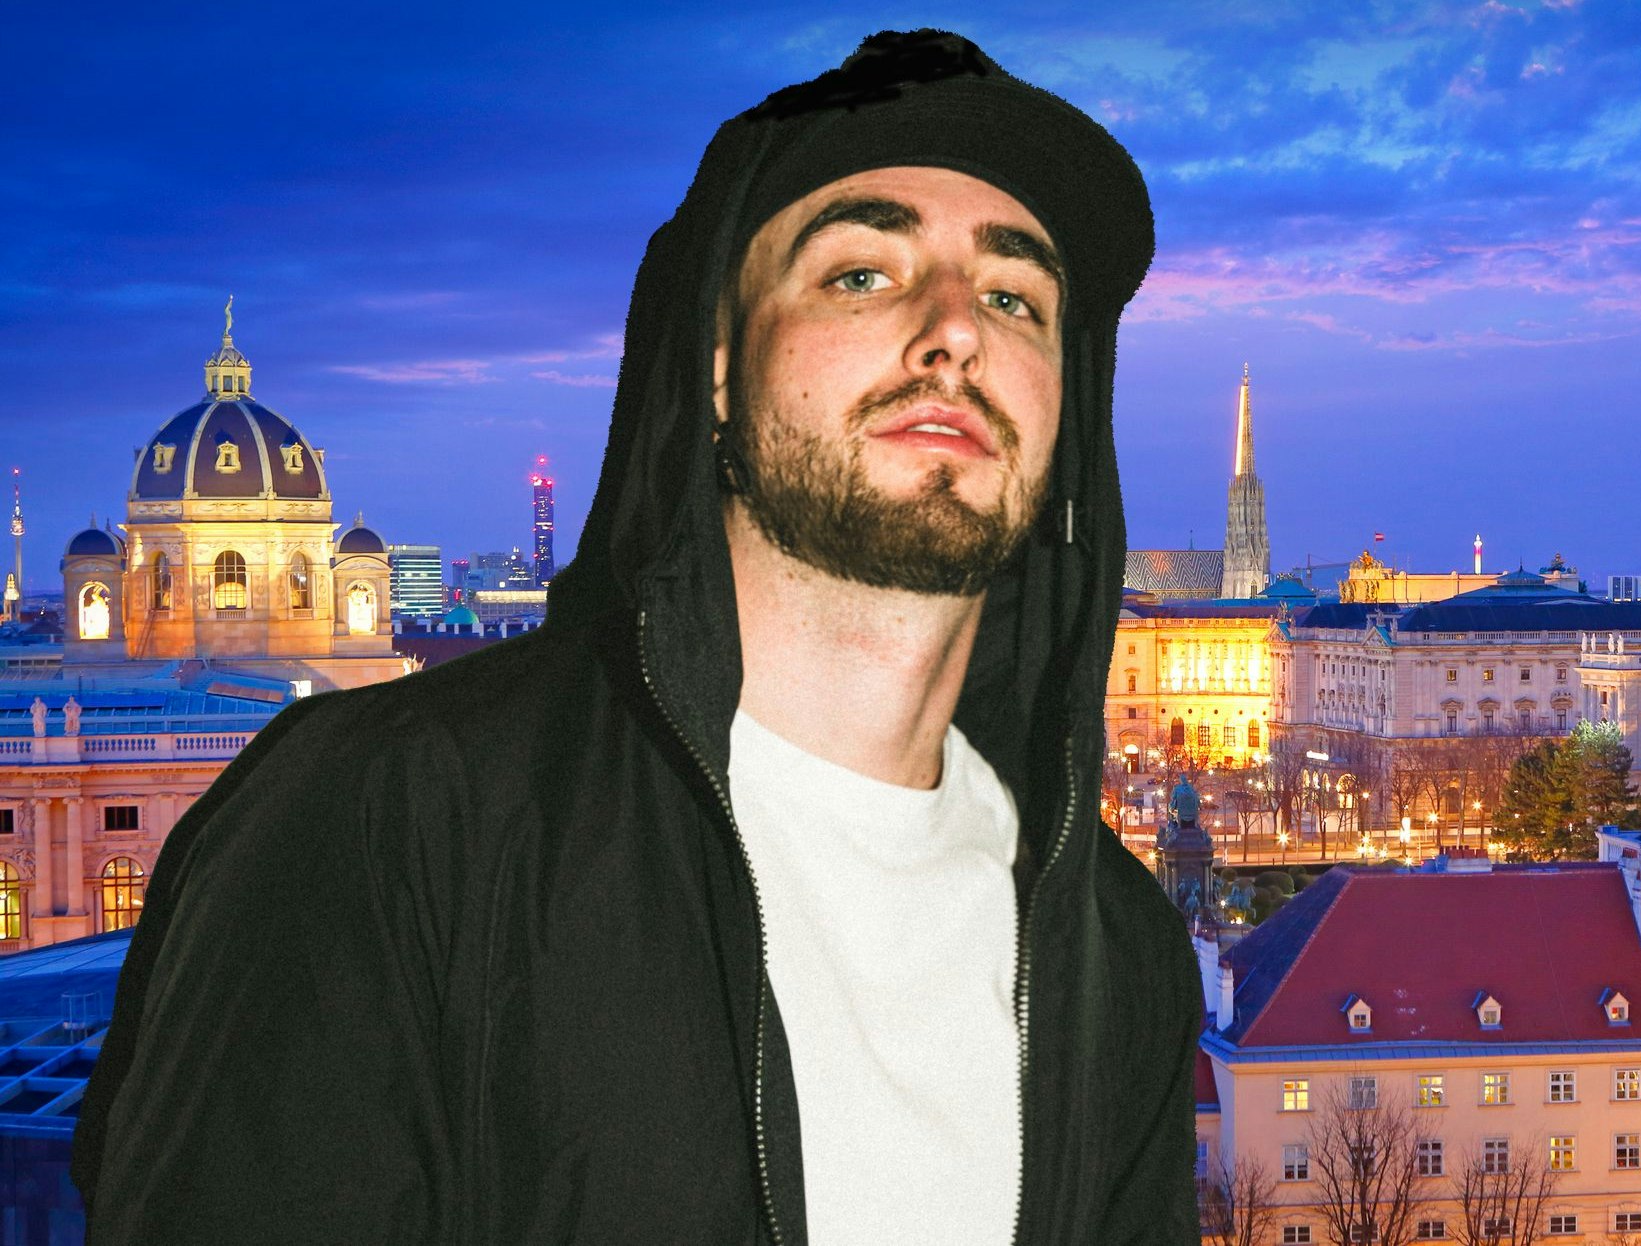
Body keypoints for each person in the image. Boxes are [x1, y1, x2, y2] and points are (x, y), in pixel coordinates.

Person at [75, 30, 1202, 1243]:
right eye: (861, 275)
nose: (954, 330)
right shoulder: (383, 819)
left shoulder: (1115, 949)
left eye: (1012, 294)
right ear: (715, 369)